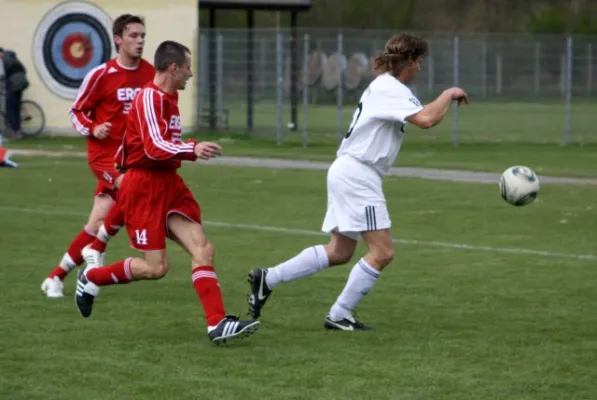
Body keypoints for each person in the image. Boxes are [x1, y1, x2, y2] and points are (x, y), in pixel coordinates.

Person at [247, 33, 469, 331]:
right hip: (358, 175)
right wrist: (450, 92)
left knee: (340, 252)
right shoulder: (391, 88)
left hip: (350, 171)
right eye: (420, 62)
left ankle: (268, 278)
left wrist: (446, 99)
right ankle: (339, 315)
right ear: (412, 60)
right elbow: (427, 119)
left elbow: (427, 116)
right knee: (382, 252)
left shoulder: (386, 87)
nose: (420, 68)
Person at [75, 40, 260, 344]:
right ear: (174, 68)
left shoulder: (168, 99)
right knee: (156, 268)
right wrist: (192, 148)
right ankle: (90, 278)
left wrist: (187, 147)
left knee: (203, 249)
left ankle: (216, 323)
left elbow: (159, 143)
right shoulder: (149, 97)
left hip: (168, 183)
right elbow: (153, 147)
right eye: (187, 67)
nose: (190, 74)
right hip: (145, 186)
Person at [40, 14, 155, 298]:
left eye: (142, 35)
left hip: (133, 160)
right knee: (132, 188)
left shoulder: (151, 74)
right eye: (133, 35)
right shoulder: (101, 75)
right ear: (118, 39)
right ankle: (97, 250)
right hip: (105, 159)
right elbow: (76, 112)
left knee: (95, 223)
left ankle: (55, 277)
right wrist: (94, 127)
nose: (140, 40)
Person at [0, 47, 29, 138]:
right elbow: (24, 69)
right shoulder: (14, 58)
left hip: (13, 85)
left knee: (10, 108)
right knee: (16, 107)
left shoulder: (2, 59)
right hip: (22, 83)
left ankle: (15, 131)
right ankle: (18, 130)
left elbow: (1, 75)